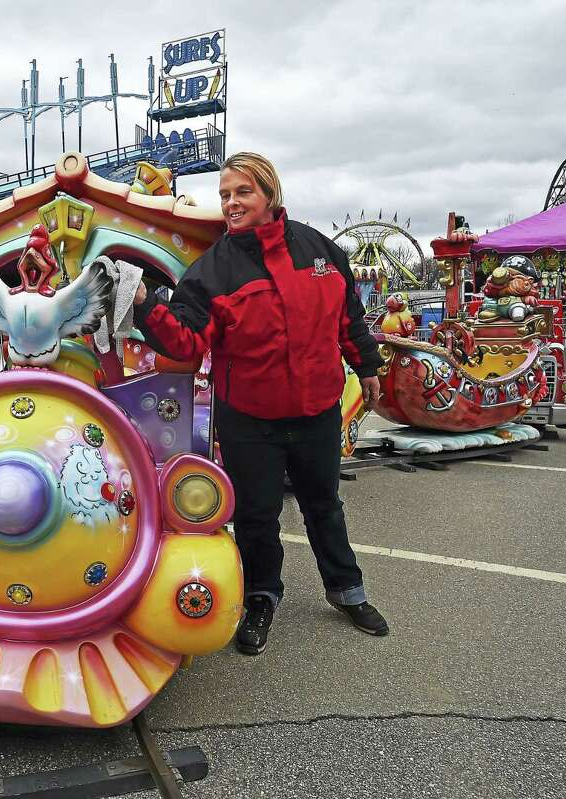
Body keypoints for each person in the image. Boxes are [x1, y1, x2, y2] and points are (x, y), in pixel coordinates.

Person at [132, 152, 388, 655]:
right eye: (225, 194)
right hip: (249, 419)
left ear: (270, 194)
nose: (230, 203)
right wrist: (145, 305)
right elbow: (185, 340)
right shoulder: (212, 272)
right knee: (255, 516)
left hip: (316, 410)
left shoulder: (322, 253)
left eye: (242, 192)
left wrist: (369, 368)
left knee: (324, 507)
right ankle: (261, 599)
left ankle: (347, 590)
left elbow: (349, 321)